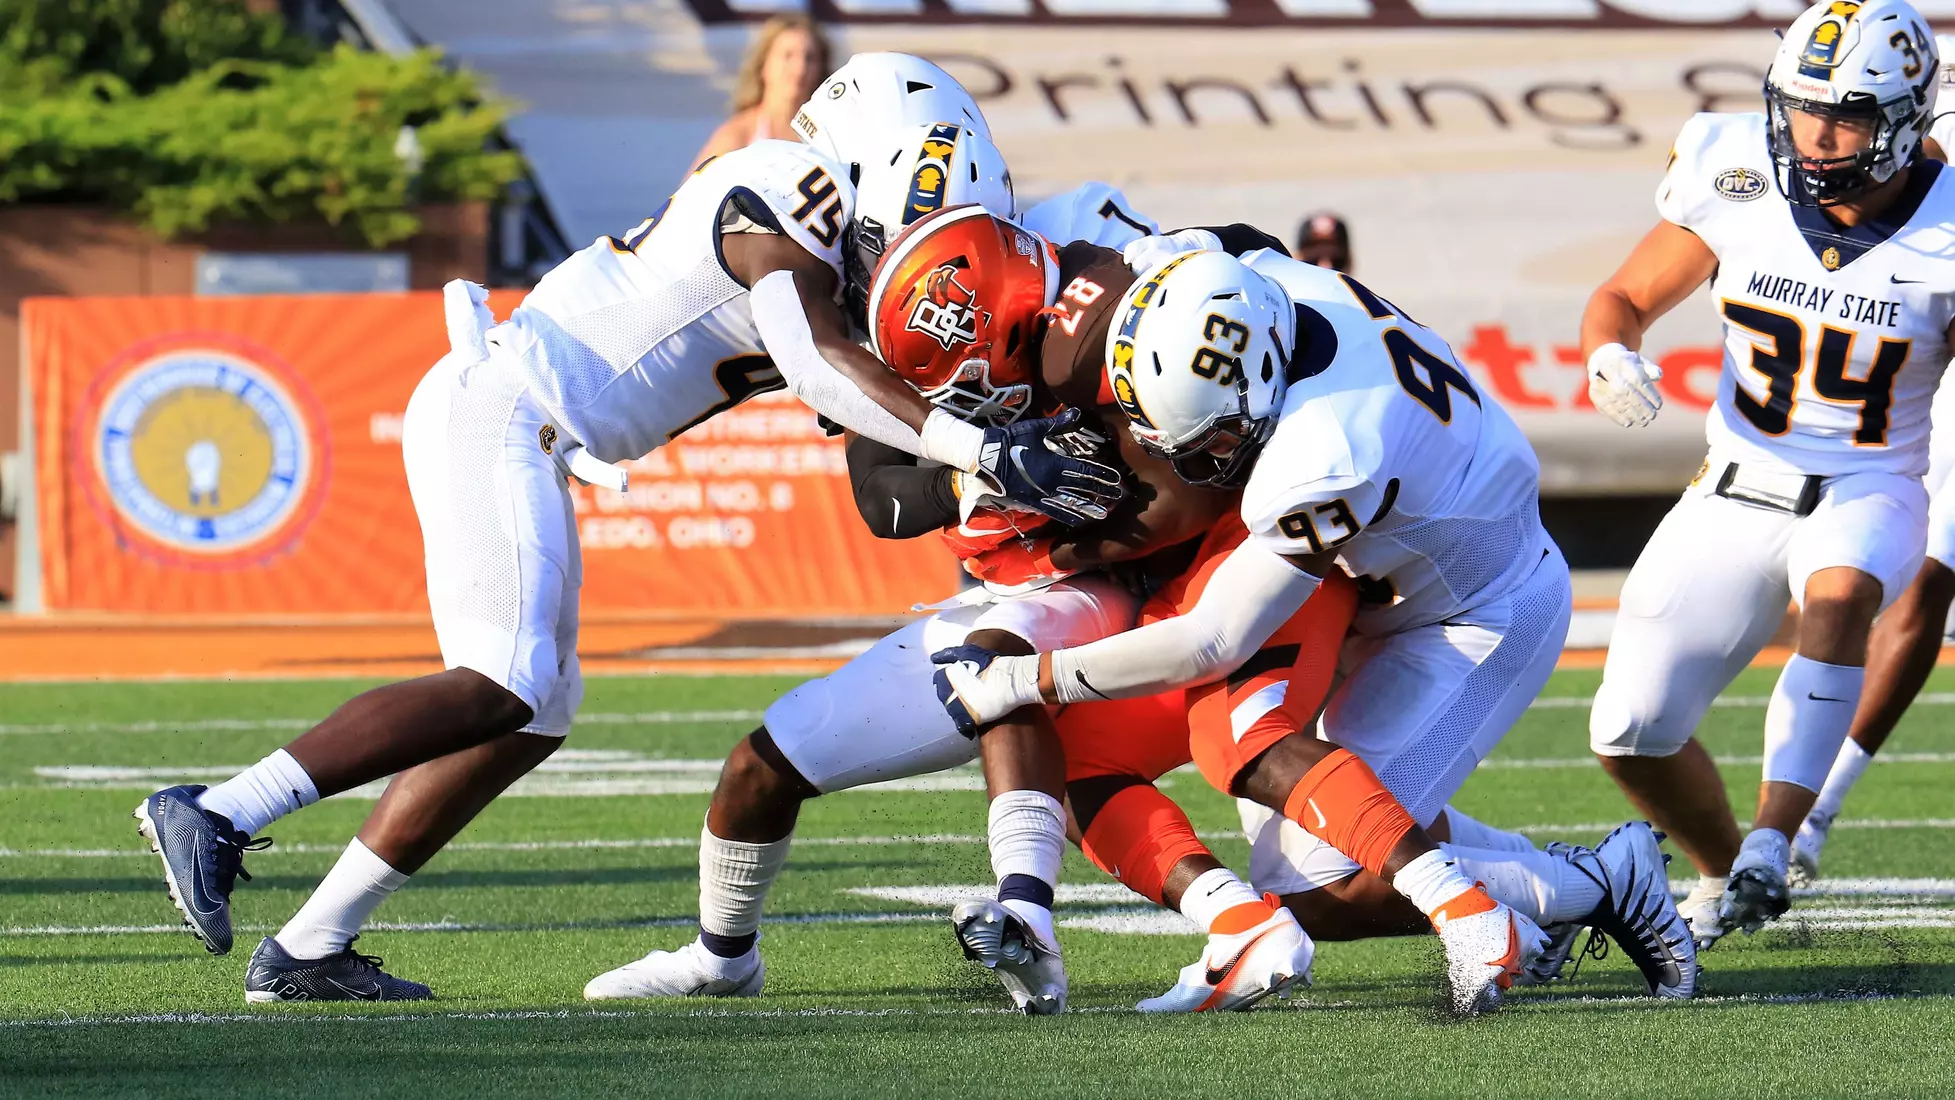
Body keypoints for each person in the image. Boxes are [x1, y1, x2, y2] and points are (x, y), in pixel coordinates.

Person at [131, 58, 1126, 1004]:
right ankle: (220, 809)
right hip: (506, 405)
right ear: (882, 159)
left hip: (537, 427)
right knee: (504, 681)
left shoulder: (841, 260)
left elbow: (872, 451)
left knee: (531, 714)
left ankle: (308, 945)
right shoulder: (778, 187)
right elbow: (816, 359)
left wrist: (999, 433)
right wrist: (988, 453)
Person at [928, 234, 1694, 1012]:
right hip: (1397, 575)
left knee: (1317, 881)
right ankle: (1556, 889)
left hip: (1477, 616)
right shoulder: (1256, 286)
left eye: (1209, 441)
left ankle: (1591, 886)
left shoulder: (1325, 451)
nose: (1189, 462)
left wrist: (1027, 678)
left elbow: (1211, 638)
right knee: (1308, 806)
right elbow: (1220, 245)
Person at [1579, 0, 1954, 946]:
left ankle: (1777, 837)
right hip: (1734, 480)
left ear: (1908, 117)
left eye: (1848, 116)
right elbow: (1624, 294)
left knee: (1837, 600)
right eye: (1799, 107)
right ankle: (1722, 872)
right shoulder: (1730, 165)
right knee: (1628, 729)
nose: (1816, 136)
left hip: (1872, 484)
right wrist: (1608, 351)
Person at [1793, 40, 1955, 885]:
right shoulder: (1914, 62)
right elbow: (1914, 170)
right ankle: (1815, 806)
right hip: (1934, 346)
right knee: (1929, 572)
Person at [692, 14, 831, 170]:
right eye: (788, 55)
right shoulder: (739, 134)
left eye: (810, 58)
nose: (800, 68)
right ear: (764, 63)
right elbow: (691, 193)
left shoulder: (829, 137)